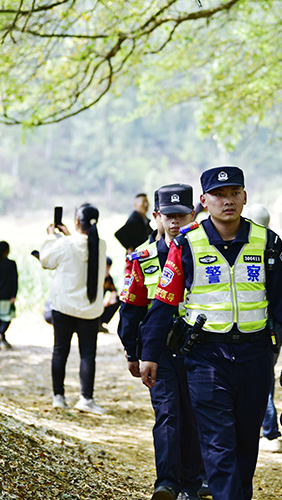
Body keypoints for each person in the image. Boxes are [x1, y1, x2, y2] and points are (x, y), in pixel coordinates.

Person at [139, 166, 282, 500]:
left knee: (246, 443)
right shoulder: (187, 244)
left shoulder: (267, 242)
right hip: (205, 358)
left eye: (234, 193)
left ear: (245, 197)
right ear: (204, 201)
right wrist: (149, 353)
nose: (227, 201)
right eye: (218, 195)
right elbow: (164, 301)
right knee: (217, 443)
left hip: (255, 356)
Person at [118, 184, 205, 500]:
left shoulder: (207, 253)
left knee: (195, 415)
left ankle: (192, 484)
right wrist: (133, 352)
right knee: (168, 414)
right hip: (160, 351)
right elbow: (131, 309)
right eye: (169, 215)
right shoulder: (142, 258)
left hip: (201, 350)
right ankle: (166, 483)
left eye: (181, 215)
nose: (175, 221)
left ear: (193, 214)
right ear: (156, 216)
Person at [40, 203, 107, 414]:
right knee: (87, 355)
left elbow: (46, 261)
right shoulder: (101, 245)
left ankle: (58, 397)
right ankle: (86, 398)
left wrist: (51, 236)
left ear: (77, 221)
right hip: (90, 311)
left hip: (64, 308)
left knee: (60, 352)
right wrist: (68, 235)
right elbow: (82, 250)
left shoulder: (64, 244)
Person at [246, 204, 282, 453]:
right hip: (275, 327)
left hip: (260, 326)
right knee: (266, 373)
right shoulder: (275, 246)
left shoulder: (251, 247)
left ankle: (268, 427)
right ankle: (266, 427)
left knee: (261, 377)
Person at [99, 257, 121, 332]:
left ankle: (101, 322)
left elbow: (113, 290)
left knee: (118, 299)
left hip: (102, 304)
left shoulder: (108, 279)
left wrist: (110, 299)